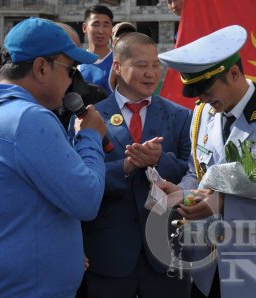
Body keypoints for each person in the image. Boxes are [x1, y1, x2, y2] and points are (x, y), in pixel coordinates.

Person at [0, 17, 107, 297]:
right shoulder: (26, 119)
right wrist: (90, 137)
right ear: (41, 68)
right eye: (70, 69)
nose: (72, 81)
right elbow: (87, 199)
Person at [158, 25, 256, 297]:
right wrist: (183, 194)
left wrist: (225, 205)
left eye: (206, 89)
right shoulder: (203, 113)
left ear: (234, 73)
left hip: (255, 271)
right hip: (206, 271)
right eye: (197, 93)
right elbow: (199, 173)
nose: (203, 98)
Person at [82, 32, 192, 298]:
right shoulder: (92, 116)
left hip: (167, 249)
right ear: (118, 67)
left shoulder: (180, 116)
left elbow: (193, 171)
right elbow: (80, 178)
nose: (151, 73)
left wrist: (159, 160)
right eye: (142, 66)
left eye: (156, 65)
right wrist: (126, 167)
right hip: (108, 252)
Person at [80, 5, 114, 95]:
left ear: (111, 29)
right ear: (84, 28)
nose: (101, 31)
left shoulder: (119, 62)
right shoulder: (76, 63)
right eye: (96, 25)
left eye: (106, 25)